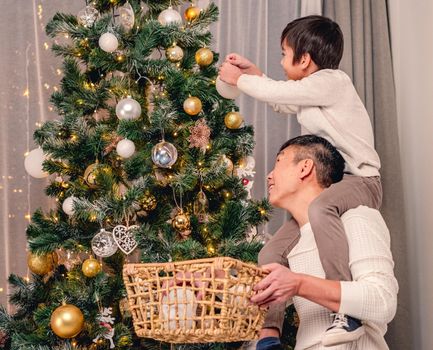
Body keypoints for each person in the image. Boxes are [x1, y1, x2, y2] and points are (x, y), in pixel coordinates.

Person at [219, 15, 383, 346]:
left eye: (284, 53)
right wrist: (252, 75)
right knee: (271, 252)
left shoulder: (334, 81)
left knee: (321, 209)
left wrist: (240, 81)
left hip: (361, 180)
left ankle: (346, 311)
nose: (281, 61)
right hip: (331, 185)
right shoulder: (312, 92)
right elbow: (280, 99)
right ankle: (269, 334)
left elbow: (277, 92)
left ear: (304, 58)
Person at [252, 135, 398, 350]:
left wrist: (299, 283)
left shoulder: (357, 218)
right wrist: (215, 286)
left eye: (278, 163)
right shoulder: (288, 248)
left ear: (305, 168)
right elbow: (263, 301)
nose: (269, 175)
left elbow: (382, 301)